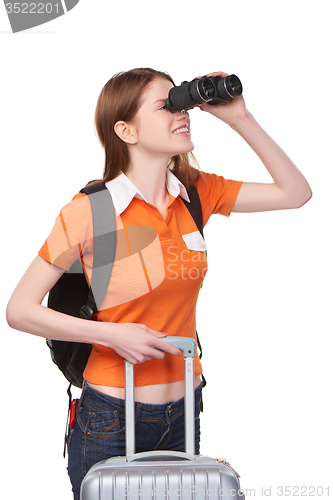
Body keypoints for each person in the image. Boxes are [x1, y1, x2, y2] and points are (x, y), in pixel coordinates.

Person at [6, 67, 312, 499]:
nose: (181, 112)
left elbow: (296, 192)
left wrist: (239, 117)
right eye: (165, 106)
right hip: (111, 415)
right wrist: (110, 333)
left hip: (185, 407)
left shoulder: (195, 194)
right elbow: (19, 310)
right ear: (125, 130)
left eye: (181, 101)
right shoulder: (89, 211)